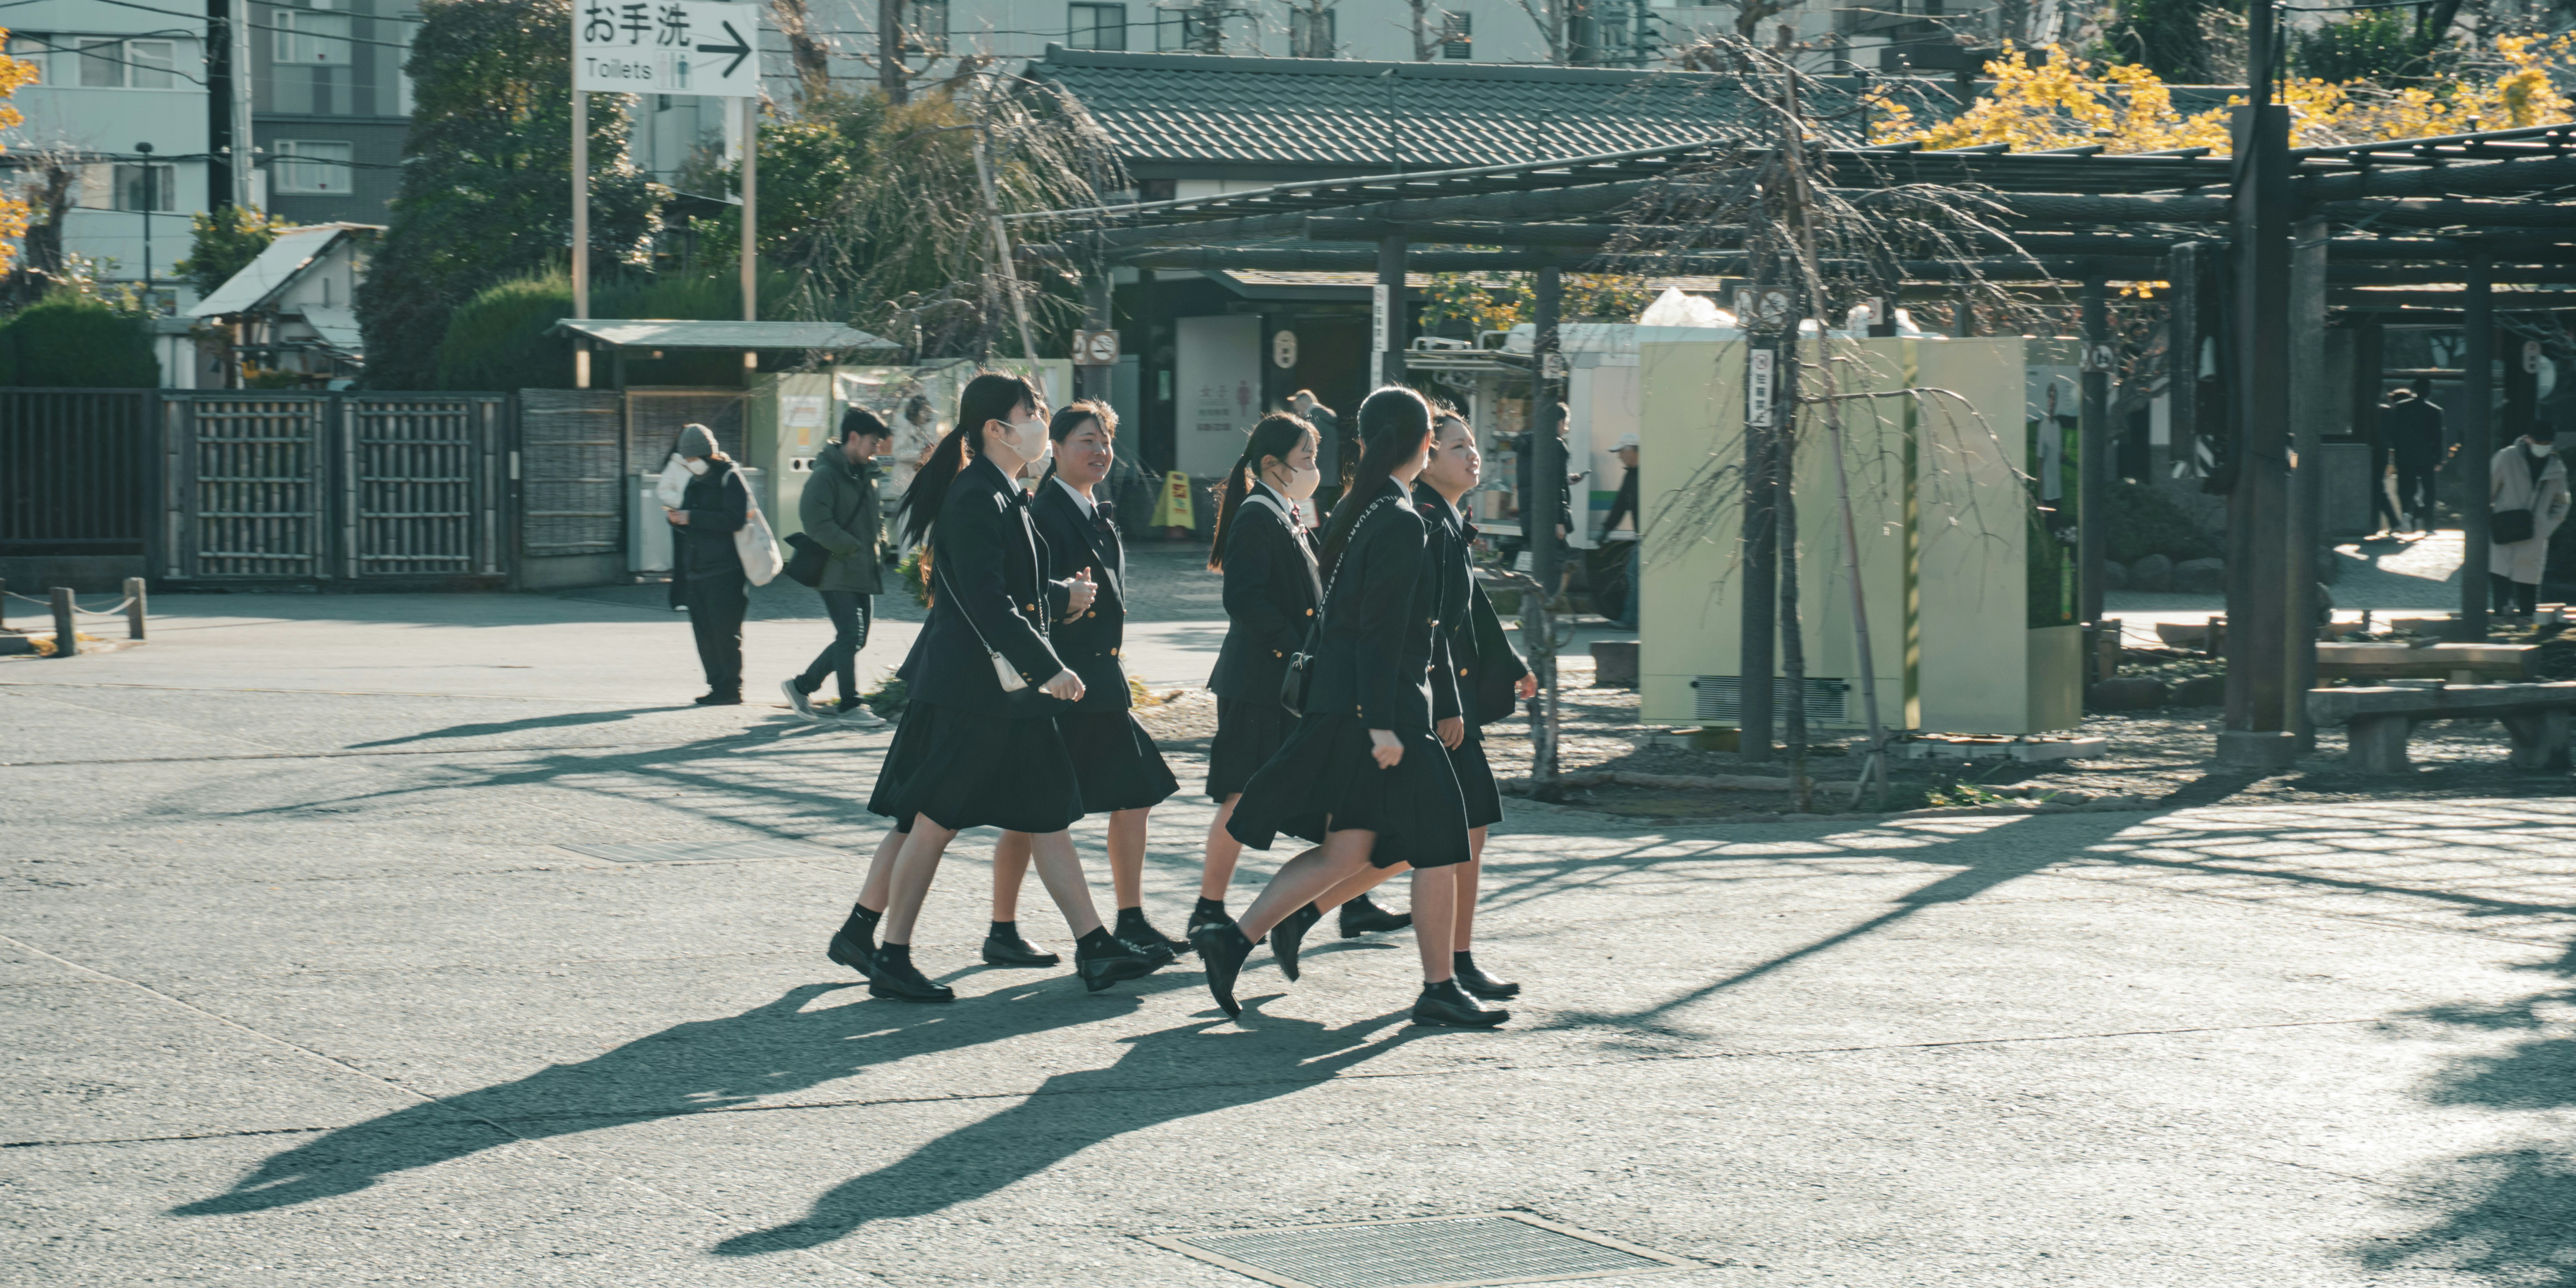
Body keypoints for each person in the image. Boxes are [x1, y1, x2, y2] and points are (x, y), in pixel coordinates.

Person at [823, 372, 1162, 1002]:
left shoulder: (1005, 490)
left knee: (1046, 814)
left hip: (1000, 693)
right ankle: (890, 952)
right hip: (974, 691)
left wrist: (1061, 598)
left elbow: (1018, 586)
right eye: (1030, 410)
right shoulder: (976, 493)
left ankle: (1095, 946)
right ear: (995, 429)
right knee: (932, 820)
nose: (1040, 418)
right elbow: (985, 597)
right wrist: (1048, 666)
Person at [1191, 386, 1502, 1029]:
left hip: (1353, 703)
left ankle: (1233, 939)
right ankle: (1440, 985)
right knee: (1442, 843)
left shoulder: (1364, 510)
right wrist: (1384, 723)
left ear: (1365, 442)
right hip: (1385, 709)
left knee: (1346, 849)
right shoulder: (1398, 517)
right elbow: (1378, 629)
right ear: (1420, 443)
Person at [1266, 407, 1538, 1001]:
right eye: (1456, 445)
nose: (1472, 454)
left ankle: (1322, 920)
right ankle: (1443, 968)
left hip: (1441, 699)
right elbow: (1423, 626)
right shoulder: (1419, 519)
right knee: (1440, 836)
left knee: (1448, 834)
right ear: (1426, 454)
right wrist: (1443, 703)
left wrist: (1510, 662)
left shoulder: (1445, 517)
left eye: (1473, 444)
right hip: (1431, 704)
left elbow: (1470, 610)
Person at [984, 402, 1191, 967]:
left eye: (1104, 441)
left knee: (1117, 797)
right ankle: (1014, 927)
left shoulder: (1094, 507)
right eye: (1084, 441)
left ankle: (1124, 919)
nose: (1099, 451)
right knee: (1039, 809)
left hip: (1098, 681)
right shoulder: (1046, 510)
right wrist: (1057, 622)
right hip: (1064, 682)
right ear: (1053, 447)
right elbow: (1023, 593)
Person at [1194, 412, 1412, 942]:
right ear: (1272, 465)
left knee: (1335, 790)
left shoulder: (1288, 511)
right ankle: (1208, 907)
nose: (1317, 467)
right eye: (1307, 458)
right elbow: (1244, 599)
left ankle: (1353, 900)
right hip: (1258, 684)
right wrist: (1296, 649)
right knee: (1240, 795)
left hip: (1289, 683)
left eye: (1316, 455)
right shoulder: (1256, 515)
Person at [781, 407, 891, 725]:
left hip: (861, 568)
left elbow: (876, 519)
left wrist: (879, 545)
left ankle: (801, 686)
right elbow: (816, 522)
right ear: (853, 437)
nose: (876, 450)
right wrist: (853, 547)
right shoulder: (825, 475)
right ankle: (849, 704)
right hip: (834, 569)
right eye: (873, 442)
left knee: (856, 639)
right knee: (849, 635)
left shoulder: (867, 475)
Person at [666, 423, 750, 706]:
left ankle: (731, 688)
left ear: (707, 455)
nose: (691, 465)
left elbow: (735, 519)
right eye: (687, 460)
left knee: (725, 632)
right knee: (704, 633)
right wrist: (678, 521)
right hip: (696, 569)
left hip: (726, 570)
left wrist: (693, 517)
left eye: (693, 459)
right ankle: (716, 685)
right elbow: (692, 522)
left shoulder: (731, 478)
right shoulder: (694, 481)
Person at [2489, 423, 2569, 619]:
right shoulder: (2507, 457)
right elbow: (2488, 490)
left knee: (2528, 583)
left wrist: (2546, 527)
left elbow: (2562, 502)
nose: (2543, 446)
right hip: (2504, 526)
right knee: (2500, 577)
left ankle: (2528, 621)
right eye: (2540, 441)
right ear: (2528, 439)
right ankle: (2501, 618)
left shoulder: (2555, 466)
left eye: (2548, 443)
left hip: (2534, 531)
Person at [2384, 380, 2451, 533]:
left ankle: (2407, 515)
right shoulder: (2435, 411)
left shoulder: (2401, 407)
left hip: (2405, 456)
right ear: (2429, 392)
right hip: (2427, 457)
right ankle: (2429, 526)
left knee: (2406, 488)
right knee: (2429, 490)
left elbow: (2395, 433)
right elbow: (2439, 437)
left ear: (2413, 390)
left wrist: (2396, 452)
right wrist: (2440, 459)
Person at [1600, 431, 1641, 630]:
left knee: (1634, 574)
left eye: (1621, 452)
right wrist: (1605, 529)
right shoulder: (1632, 475)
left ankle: (1631, 619)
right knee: (1634, 575)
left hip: (1651, 536)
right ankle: (1632, 618)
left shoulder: (1645, 474)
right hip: (1643, 536)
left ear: (1633, 451)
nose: (1619, 456)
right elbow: (1620, 506)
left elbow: (1620, 506)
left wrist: (1606, 531)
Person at [1291, 390, 1346, 490]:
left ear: (1304, 404)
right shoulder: (1326, 420)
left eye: (1297, 410)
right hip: (1329, 478)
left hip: (1316, 479)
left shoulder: (1315, 422)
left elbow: (1311, 450)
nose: (1298, 415)